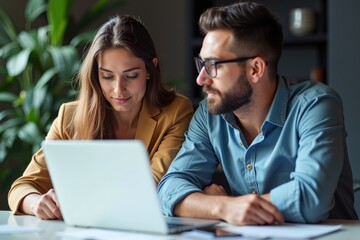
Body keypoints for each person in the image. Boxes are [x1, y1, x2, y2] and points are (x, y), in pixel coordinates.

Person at [158, 1, 358, 225]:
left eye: (213, 64)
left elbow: (310, 199)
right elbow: (169, 188)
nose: (201, 79)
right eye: (201, 64)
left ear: (255, 69)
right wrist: (223, 207)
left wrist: (227, 206)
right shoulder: (209, 114)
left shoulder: (316, 105)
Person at [8, 14, 193, 220]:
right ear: (95, 75)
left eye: (131, 76)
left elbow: (152, 185)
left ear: (151, 69)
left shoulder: (176, 112)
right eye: (107, 76)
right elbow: (22, 187)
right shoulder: (69, 117)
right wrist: (36, 203)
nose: (118, 89)